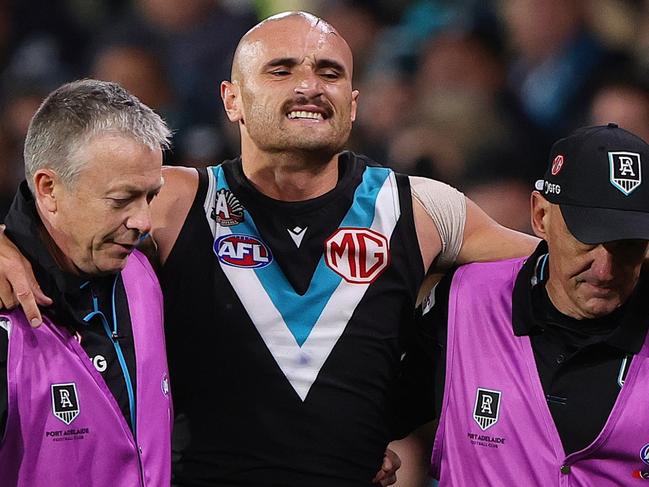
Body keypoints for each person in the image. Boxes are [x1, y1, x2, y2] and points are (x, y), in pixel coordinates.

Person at [0, 12, 536, 487]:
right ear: (231, 99)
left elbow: (560, 269)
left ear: (352, 104)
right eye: (281, 70)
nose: (309, 86)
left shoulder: (418, 209)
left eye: (330, 73)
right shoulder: (171, 201)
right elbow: (62, 215)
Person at [400, 123, 649, 485]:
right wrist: (367, 450)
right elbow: (371, 408)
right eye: (587, 238)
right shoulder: (464, 303)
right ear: (541, 217)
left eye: (626, 245)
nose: (605, 268)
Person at [0, 79, 173, 485]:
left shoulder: (144, 272)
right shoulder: (6, 320)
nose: (143, 222)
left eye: (150, 196)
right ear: (49, 189)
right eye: (120, 200)